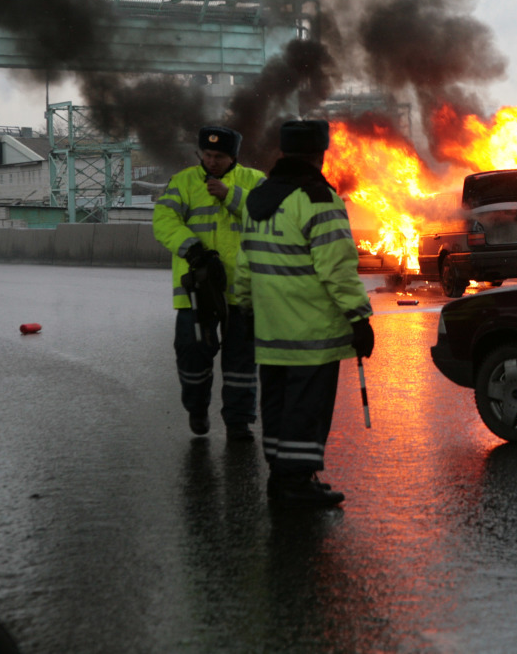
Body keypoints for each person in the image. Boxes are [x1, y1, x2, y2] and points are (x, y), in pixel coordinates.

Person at [235, 119, 375, 508]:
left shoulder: (258, 196)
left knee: (277, 405)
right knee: (307, 408)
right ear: (319, 153)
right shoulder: (317, 198)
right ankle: (296, 484)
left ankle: (282, 477)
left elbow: (244, 261)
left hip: (271, 329)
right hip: (312, 331)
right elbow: (337, 269)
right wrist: (359, 318)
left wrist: (244, 307)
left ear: (283, 152)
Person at [152, 125, 266, 441]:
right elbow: (163, 221)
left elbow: (270, 216)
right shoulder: (182, 182)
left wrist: (232, 196)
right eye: (207, 154)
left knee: (241, 363)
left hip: (242, 290)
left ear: (234, 157)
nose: (212, 161)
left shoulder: (254, 182)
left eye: (219, 156)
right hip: (196, 290)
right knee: (191, 353)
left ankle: (239, 422)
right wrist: (193, 248)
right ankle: (197, 409)